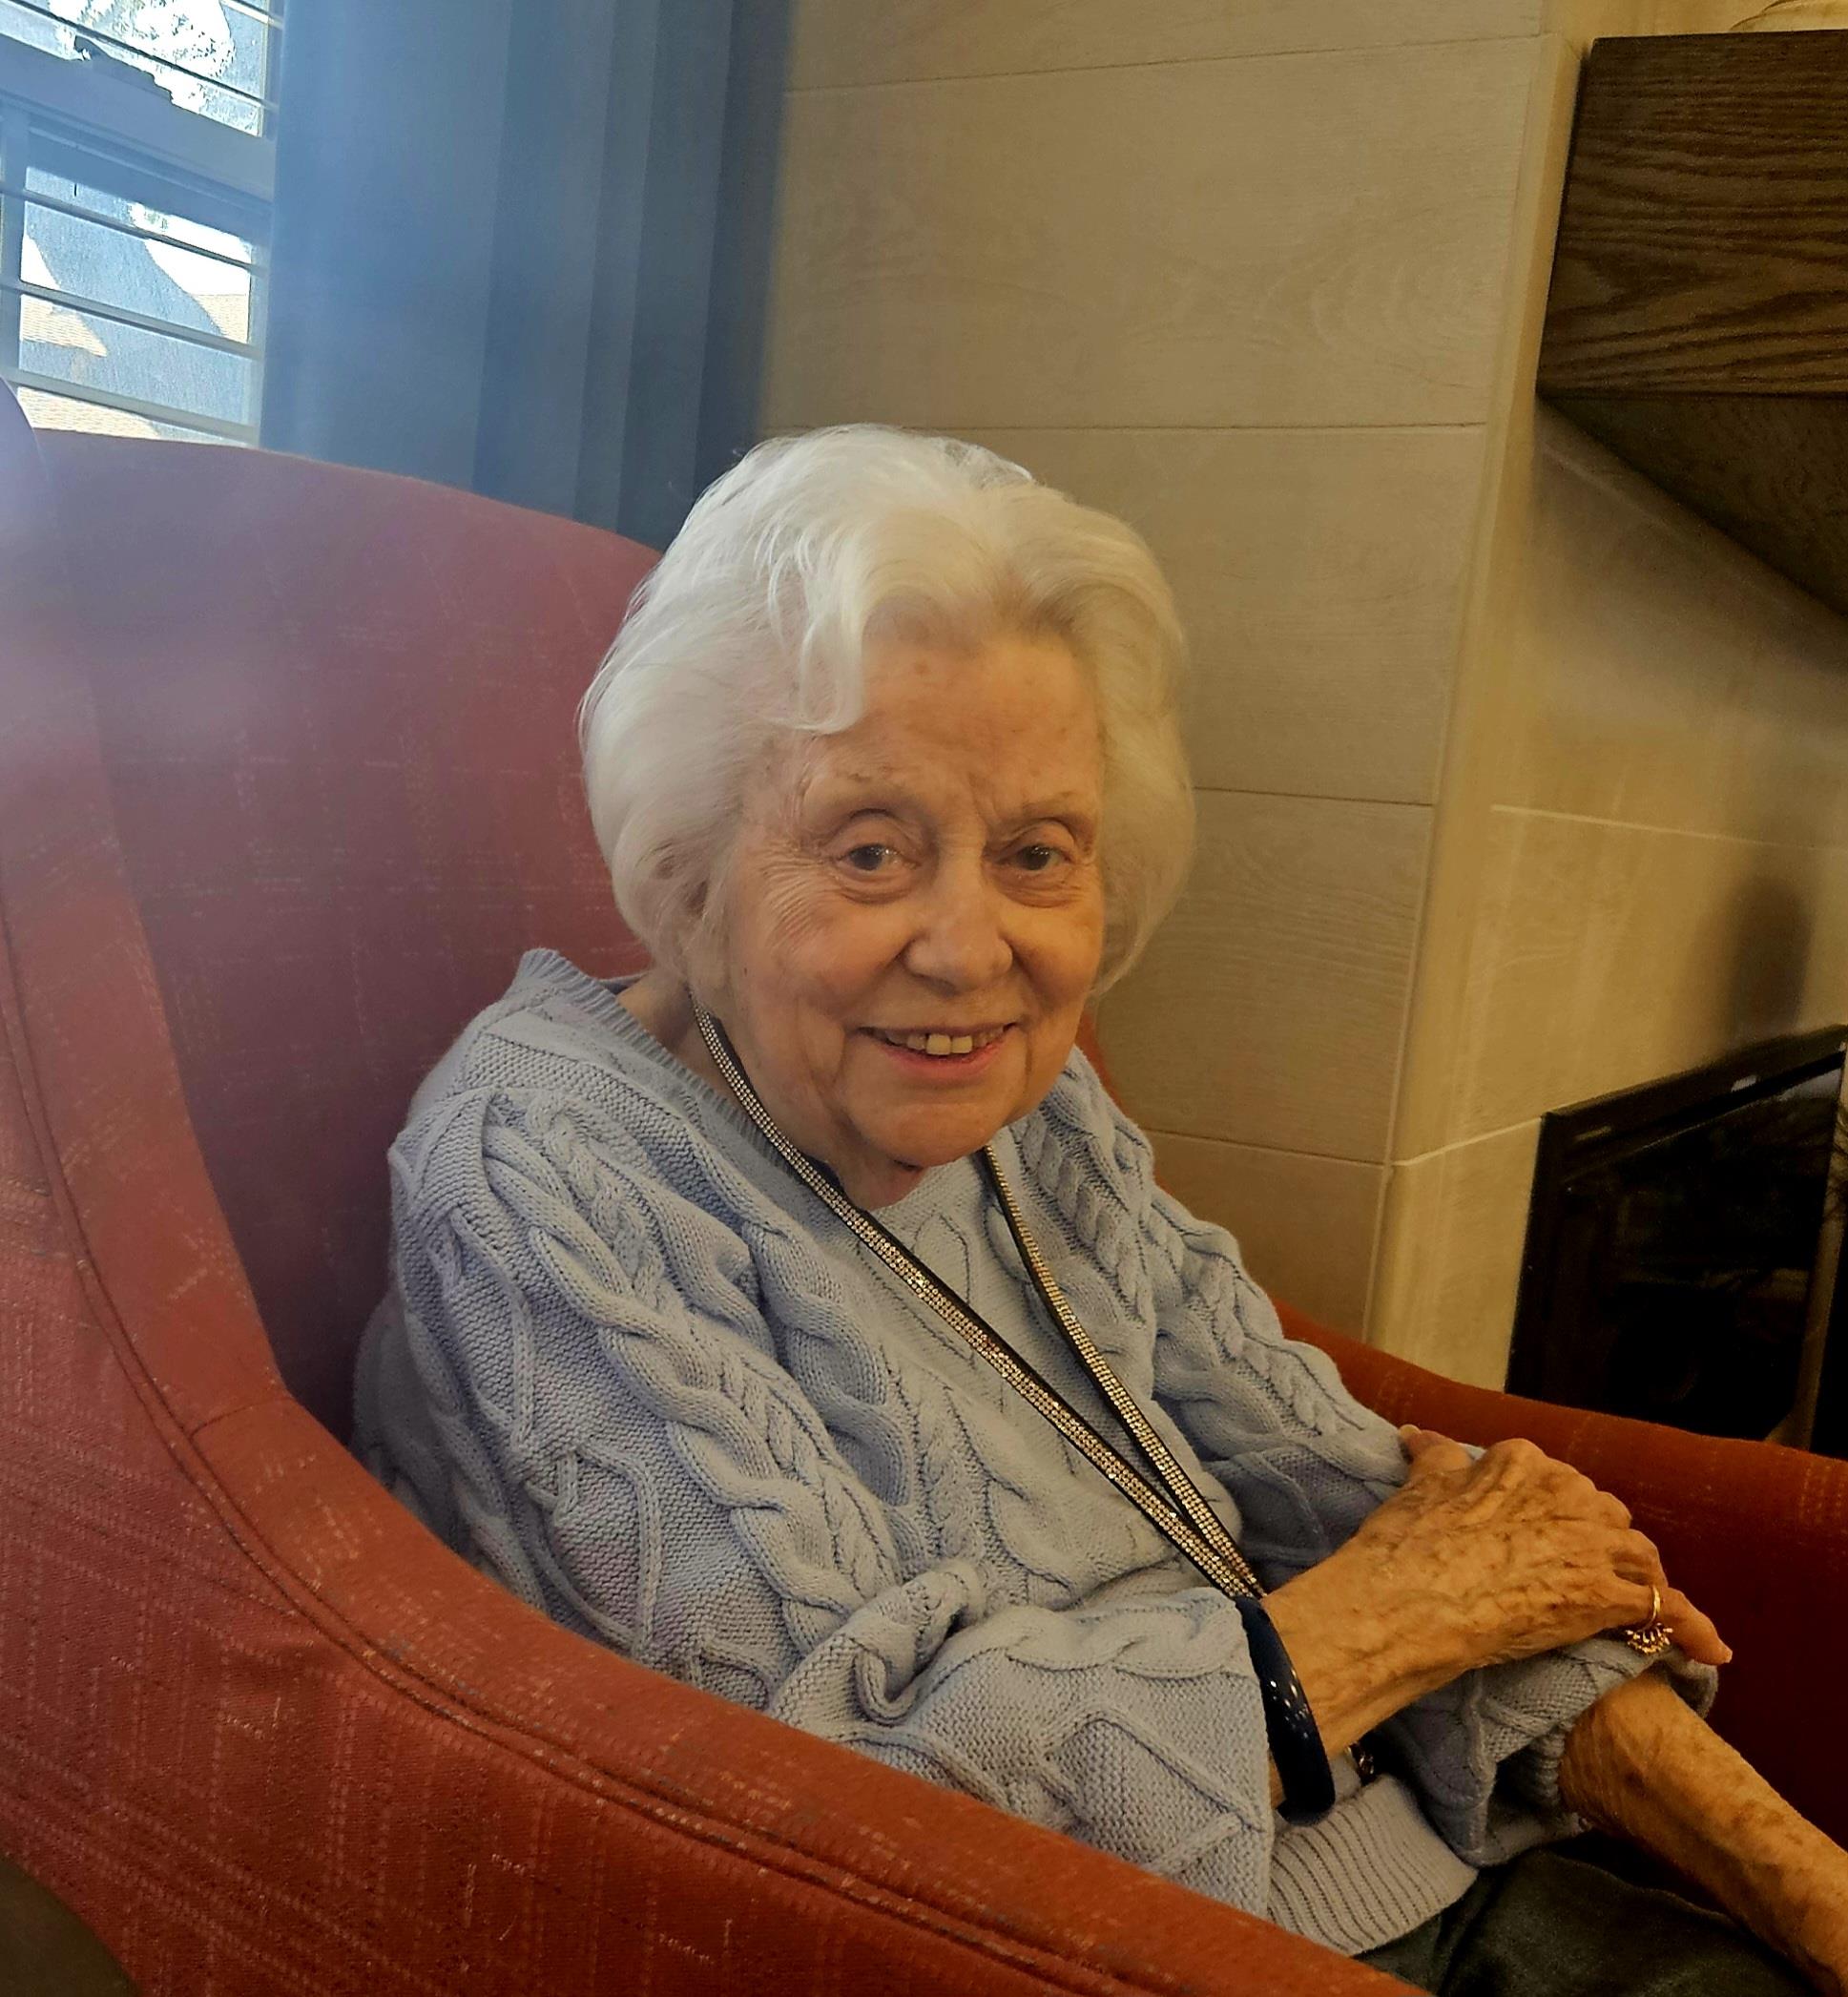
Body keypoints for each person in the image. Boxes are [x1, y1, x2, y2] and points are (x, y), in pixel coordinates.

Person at [354, 426, 1848, 1993]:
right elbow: (843, 1792)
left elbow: (1341, 1490)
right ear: (683, 875)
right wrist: (1395, 1620)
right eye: (870, 848)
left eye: (1035, 852)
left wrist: (1806, 1885)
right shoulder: (543, 1173)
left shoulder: (1029, 1106)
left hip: (1421, 1857)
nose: (967, 946)